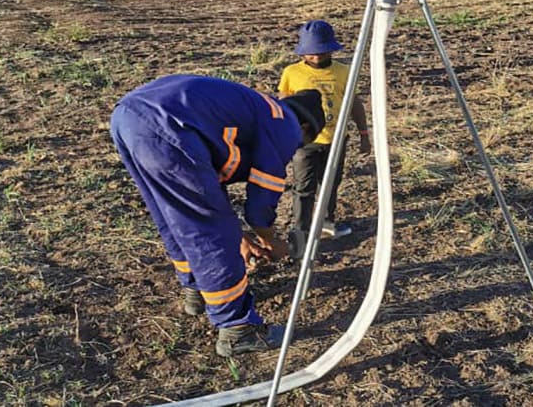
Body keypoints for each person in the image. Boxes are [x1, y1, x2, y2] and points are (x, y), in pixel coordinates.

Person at [109, 75, 325, 357]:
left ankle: (195, 291)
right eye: (303, 143)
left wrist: (242, 237)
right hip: (167, 125)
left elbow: (209, 185)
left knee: (174, 216)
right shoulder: (284, 121)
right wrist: (268, 239)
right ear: (306, 127)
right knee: (210, 230)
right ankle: (238, 329)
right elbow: (262, 197)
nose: (295, 148)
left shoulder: (252, 109)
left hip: (129, 116)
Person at [278, 20, 370, 249]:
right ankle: (300, 230)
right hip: (305, 143)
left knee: (330, 183)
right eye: (311, 52)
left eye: (321, 51)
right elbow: (282, 106)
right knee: (303, 186)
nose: (316, 57)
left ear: (331, 48)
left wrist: (363, 133)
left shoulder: (343, 72)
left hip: (336, 139)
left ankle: (327, 222)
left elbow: (354, 103)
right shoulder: (292, 73)